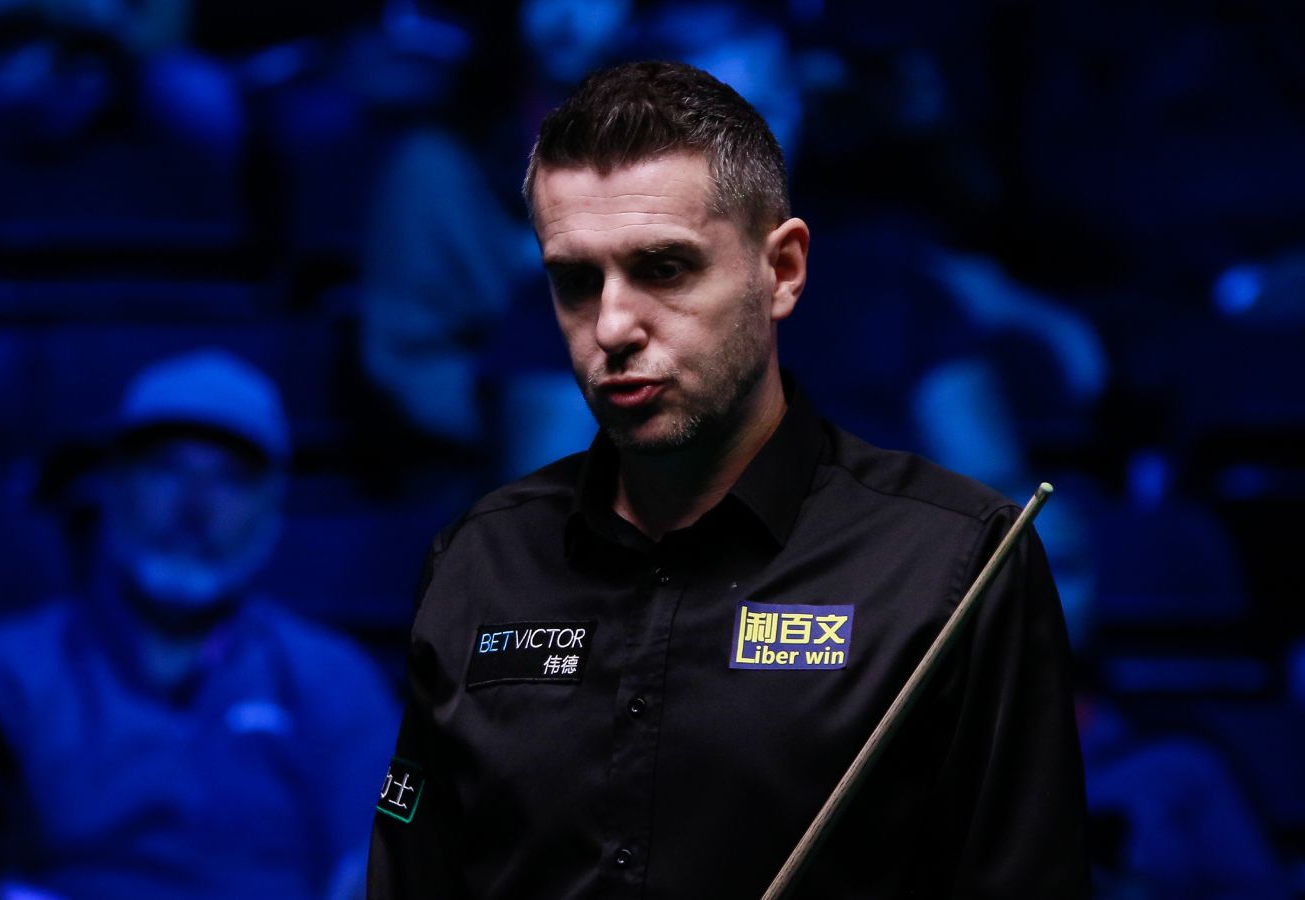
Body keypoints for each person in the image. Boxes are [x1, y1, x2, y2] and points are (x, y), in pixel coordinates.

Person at [368, 61, 1088, 898]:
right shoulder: (475, 560)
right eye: (575, 281)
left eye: (666, 269)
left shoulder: (958, 565)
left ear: (781, 271)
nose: (613, 325)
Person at [0, 349, 400, 900]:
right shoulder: (1, 674)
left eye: (230, 479)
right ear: (114, 484)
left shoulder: (337, 680)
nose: (196, 506)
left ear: (271, 508)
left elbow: (387, 842)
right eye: (166, 469)